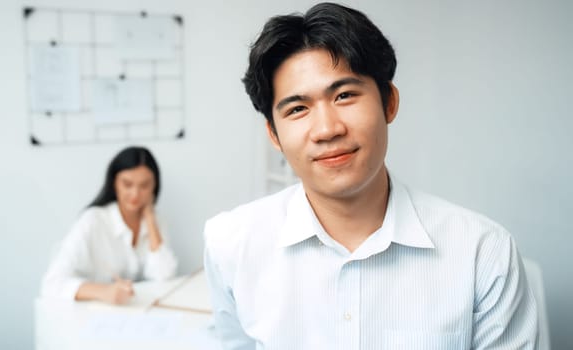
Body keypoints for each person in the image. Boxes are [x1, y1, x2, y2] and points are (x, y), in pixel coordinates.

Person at [203, 2, 538, 349]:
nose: (327, 129)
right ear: (274, 134)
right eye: (298, 108)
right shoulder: (231, 244)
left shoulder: (482, 253)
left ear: (389, 102)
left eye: (345, 95)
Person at [41, 146, 177, 304]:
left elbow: (164, 277)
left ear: (154, 186)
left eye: (144, 186)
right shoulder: (93, 220)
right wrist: (104, 291)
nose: (135, 194)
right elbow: (51, 283)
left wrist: (150, 217)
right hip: (90, 312)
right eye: (127, 184)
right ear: (114, 183)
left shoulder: (155, 221)